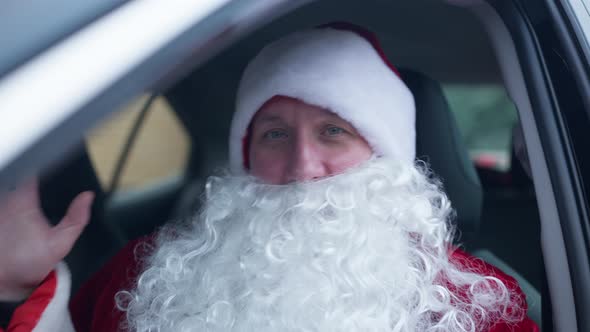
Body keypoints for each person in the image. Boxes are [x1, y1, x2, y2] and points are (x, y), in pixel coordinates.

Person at [0, 23, 538, 331]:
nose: (303, 170)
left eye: (333, 132)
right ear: (246, 155)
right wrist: (16, 289)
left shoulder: (478, 306)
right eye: (275, 135)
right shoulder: (141, 278)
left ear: (385, 157)